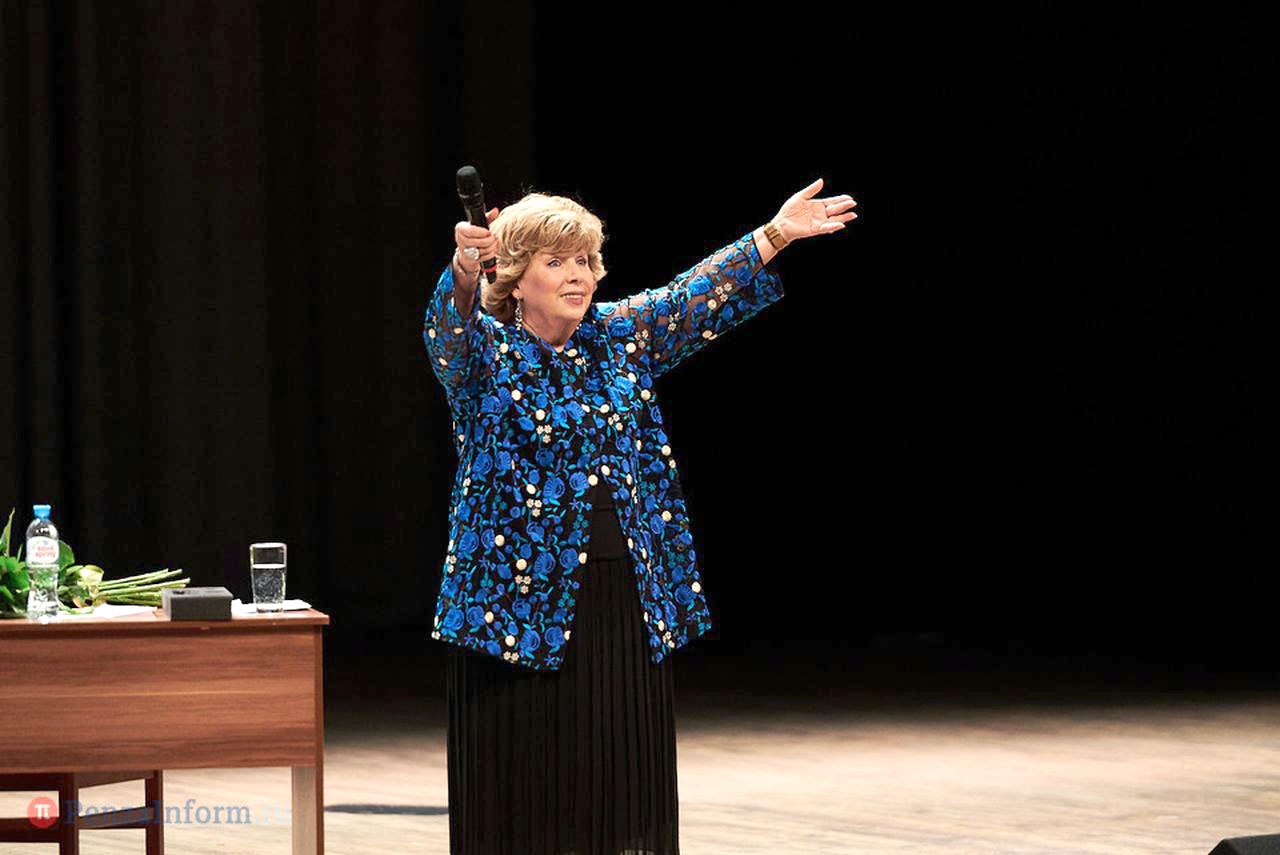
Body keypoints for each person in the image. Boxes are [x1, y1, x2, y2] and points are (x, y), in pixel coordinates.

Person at [423, 177, 857, 854]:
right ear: (515, 276)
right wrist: (460, 268)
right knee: (527, 787)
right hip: (511, 606)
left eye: (585, 260)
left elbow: (695, 294)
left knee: (617, 777)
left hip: (621, 596)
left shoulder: (619, 335)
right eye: (556, 261)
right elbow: (446, 330)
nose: (579, 274)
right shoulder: (484, 354)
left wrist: (774, 234)